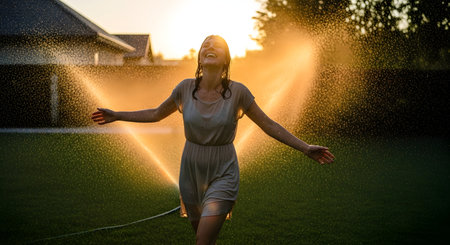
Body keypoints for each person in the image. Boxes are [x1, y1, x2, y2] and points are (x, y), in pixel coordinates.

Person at [91, 35, 335, 245]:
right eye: (206, 43)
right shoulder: (184, 88)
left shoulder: (239, 91)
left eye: (217, 44)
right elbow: (156, 113)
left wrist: (305, 147)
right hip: (190, 169)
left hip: (223, 170)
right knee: (203, 237)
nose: (210, 46)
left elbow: (268, 124)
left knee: (203, 240)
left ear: (226, 59)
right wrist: (118, 114)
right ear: (199, 57)